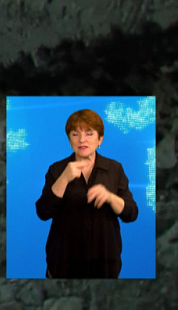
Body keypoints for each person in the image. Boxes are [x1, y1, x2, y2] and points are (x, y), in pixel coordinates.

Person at [35, 109, 138, 278]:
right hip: (63, 263)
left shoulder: (115, 169)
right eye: (75, 134)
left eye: (89, 134)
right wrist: (64, 179)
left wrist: (110, 198)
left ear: (100, 139)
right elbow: (43, 212)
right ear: (69, 140)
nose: (82, 140)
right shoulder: (57, 170)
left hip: (105, 263)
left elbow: (132, 213)